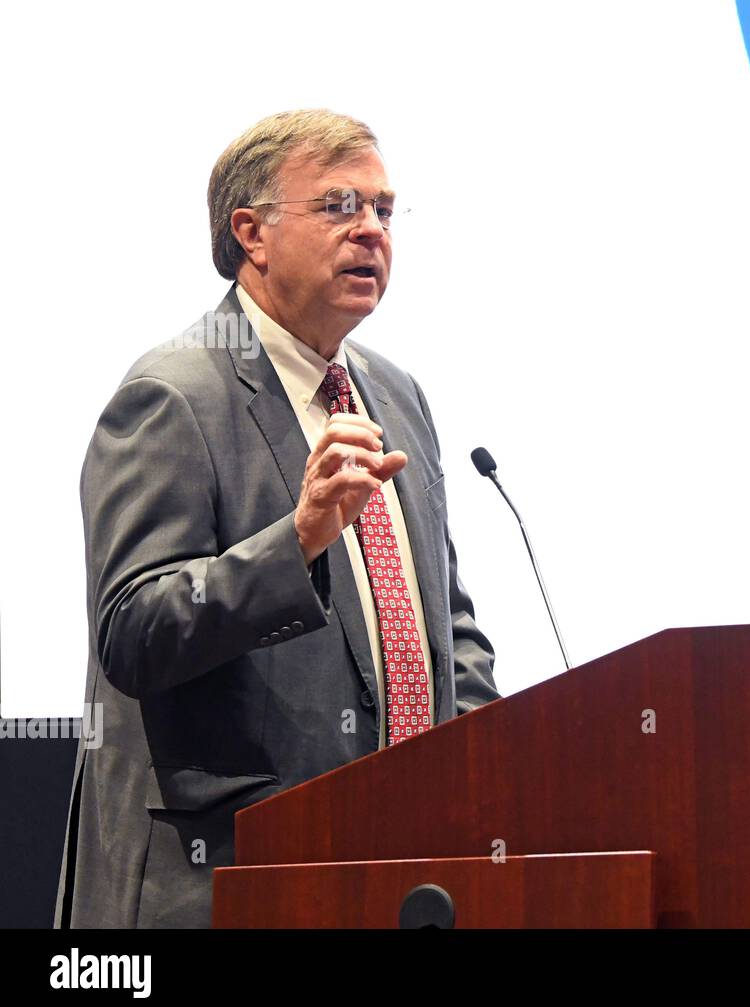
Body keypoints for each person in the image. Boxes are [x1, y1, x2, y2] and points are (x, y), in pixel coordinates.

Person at [53, 109, 499, 928]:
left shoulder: (393, 392)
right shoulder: (174, 393)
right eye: (338, 207)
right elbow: (133, 630)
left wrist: (477, 763)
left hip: (397, 868)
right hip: (229, 878)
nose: (371, 231)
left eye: (384, 210)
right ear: (252, 233)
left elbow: (448, 620)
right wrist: (296, 543)